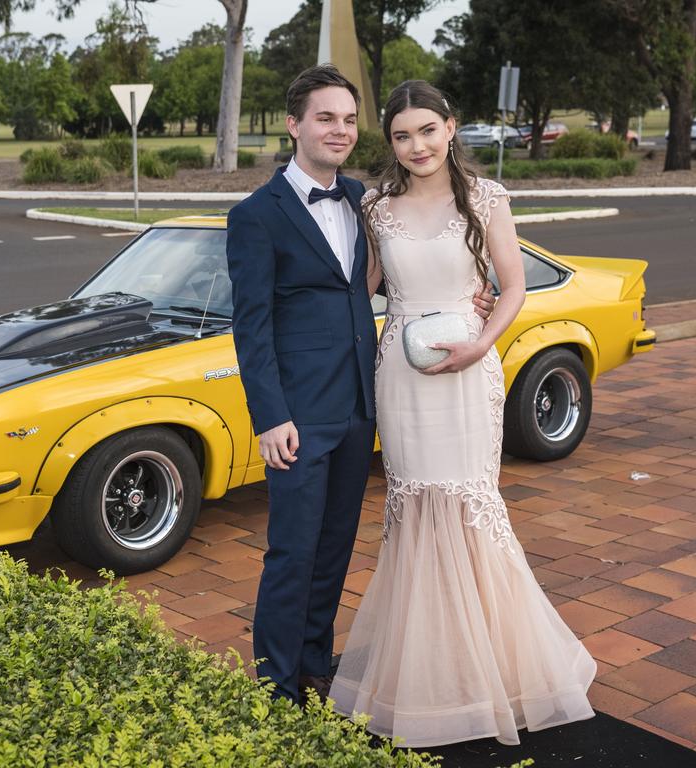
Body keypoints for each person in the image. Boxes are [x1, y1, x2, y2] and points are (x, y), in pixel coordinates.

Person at [329, 80, 596, 746]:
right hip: (403, 376)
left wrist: (482, 343)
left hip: (469, 371)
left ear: (451, 128)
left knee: (469, 503)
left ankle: (498, 668)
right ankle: (430, 668)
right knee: (415, 504)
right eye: (400, 135)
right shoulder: (376, 206)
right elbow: (360, 294)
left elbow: (512, 286)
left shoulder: (485, 199)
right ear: (389, 143)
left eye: (427, 130)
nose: (415, 146)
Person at [226, 66, 494, 706]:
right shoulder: (255, 216)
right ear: (293, 125)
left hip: (361, 405)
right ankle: (275, 687)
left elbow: (392, 279)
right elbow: (252, 327)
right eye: (325, 118)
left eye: (349, 119)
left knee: (335, 549)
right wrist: (269, 418)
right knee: (292, 552)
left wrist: (466, 302)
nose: (340, 130)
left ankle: (316, 667)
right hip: (296, 416)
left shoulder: (360, 201)